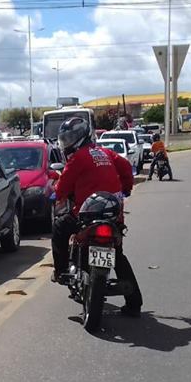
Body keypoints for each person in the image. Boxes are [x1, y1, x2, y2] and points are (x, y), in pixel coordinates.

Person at [51, 117, 143, 316]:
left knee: (59, 227)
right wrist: (126, 189)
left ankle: (60, 272)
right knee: (118, 255)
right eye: (65, 138)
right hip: (113, 215)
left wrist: (56, 194)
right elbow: (126, 168)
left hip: (86, 216)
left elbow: (62, 187)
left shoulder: (78, 158)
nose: (67, 142)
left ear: (81, 136)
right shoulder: (106, 153)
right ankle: (134, 303)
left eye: (71, 138)